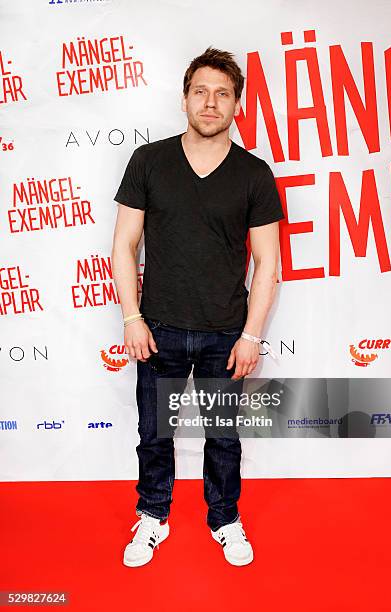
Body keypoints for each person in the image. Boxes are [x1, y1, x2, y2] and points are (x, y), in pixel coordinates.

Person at [111, 46, 285, 567]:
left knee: (224, 437)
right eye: (201, 91)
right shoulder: (147, 161)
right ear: (185, 99)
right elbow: (124, 244)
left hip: (226, 334)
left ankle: (225, 518)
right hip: (157, 329)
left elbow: (268, 262)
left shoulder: (254, 174)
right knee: (154, 433)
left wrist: (251, 335)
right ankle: (152, 515)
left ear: (238, 104)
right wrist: (131, 316)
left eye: (223, 94)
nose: (211, 102)